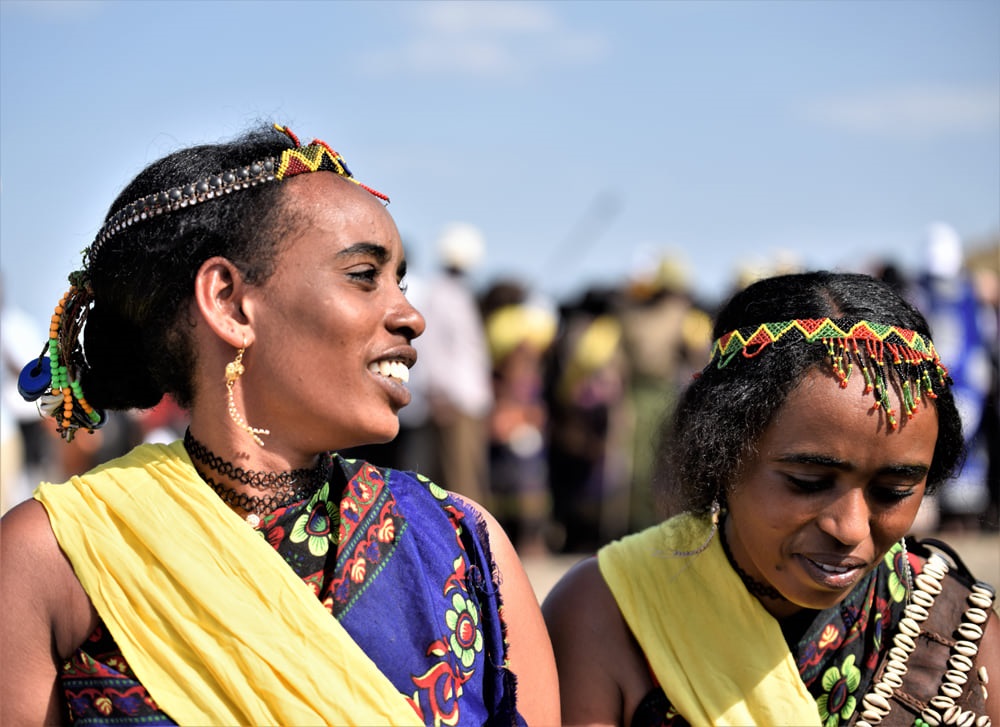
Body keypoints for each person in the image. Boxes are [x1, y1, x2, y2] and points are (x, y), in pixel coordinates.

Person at [0, 122, 558, 726]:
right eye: (364, 275)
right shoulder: (57, 555)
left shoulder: (461, 542)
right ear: (230, 302)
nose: (410, 316)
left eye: (400, 281)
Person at [543, 271, 999, 726]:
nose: (851, 528)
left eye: (894, 492)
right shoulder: (608, 614)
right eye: (807, 481)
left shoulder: (955, 635)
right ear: (722, 455)